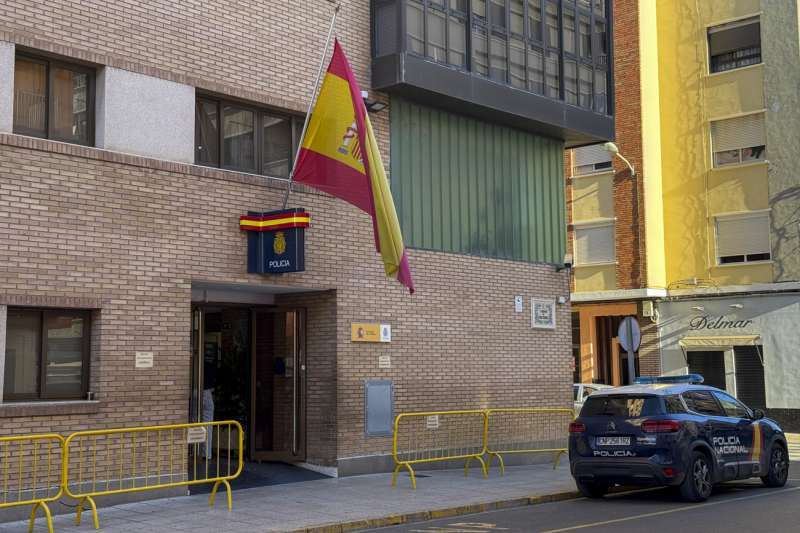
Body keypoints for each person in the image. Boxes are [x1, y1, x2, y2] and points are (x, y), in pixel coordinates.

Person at [202, 358, 217, 459]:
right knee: (208, 426)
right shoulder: (210, 366)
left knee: (194, 422)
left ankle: (195, 451)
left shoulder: (197, 364)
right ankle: (206, 454)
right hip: (207, 393)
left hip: (196, 391)